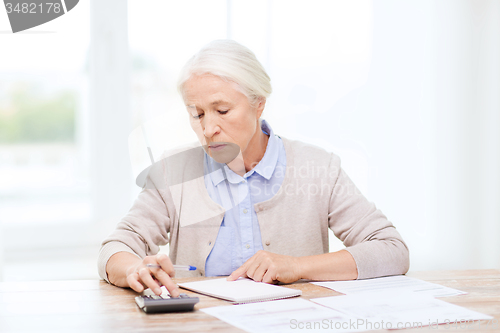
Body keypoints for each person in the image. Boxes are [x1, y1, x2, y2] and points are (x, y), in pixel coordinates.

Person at [98, 39, 409, 298]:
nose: (208, 128)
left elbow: (392, 250)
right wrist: (134, 268)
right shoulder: (172, 171)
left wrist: (297, 267)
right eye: (197, 114)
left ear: (258, 103)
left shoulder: (318, 168)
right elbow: (116, 247)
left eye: (222, 110)